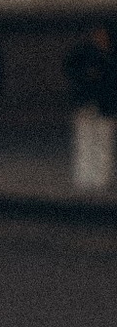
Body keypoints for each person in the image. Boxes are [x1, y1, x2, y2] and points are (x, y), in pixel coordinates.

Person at [64, 17, 115, 200]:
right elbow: (70, 70)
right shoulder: (84, 53)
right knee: (84, 141)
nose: (99, 37)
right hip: (85, 103)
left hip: (105, 105)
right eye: (97, 34)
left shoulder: (110, 56)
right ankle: (85, 179)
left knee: (103, 142)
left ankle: (101, 179)